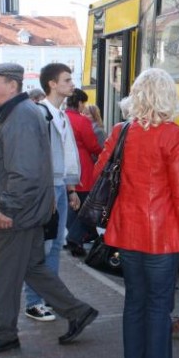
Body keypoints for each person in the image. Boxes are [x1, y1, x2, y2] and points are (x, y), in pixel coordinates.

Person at [0, 62, 97, 357]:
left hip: (17, 214)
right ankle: (77, 312)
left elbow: (24, 171)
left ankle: (4, 334)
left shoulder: (21, 116)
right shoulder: (19, 112)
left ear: (12, 85)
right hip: (27, 210)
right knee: (34, 268)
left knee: (3, 275)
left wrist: (8, 209)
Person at [96, 68, 179, 358]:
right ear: (169, 96)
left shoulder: (120, 131)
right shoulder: (175, 136)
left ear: (136, 96)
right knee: (158, 310)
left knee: (134, 306)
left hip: (127, 234)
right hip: (163, 240)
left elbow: (100, 174)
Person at [21, 63, 82, 323]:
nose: (72, 84)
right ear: (52, 84)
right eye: (66, 80)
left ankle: (49, 299)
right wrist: (49, 191)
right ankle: (34, 302)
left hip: (59, 187)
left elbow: (66, 155)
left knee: (56, 246)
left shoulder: (62, 115)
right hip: (48, 189)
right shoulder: (41, 114)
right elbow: (37, 158)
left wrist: (70, 188)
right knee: (42, 247)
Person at [65, 89, 103, 257]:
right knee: (86, 205)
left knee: (72, 206)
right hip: (82, 167)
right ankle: (75, 237)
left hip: (64, 167)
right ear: (79, 102)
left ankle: (75, 238)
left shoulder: (61, 117)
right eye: (83, 103)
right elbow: (93, 145)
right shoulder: (82, 121)